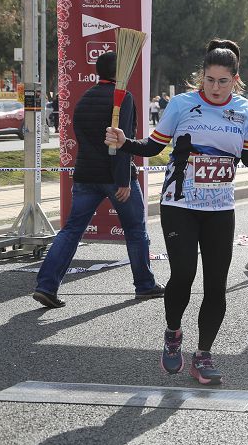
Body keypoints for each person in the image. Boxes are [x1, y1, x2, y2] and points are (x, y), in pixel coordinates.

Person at [105, 40, 248, 385]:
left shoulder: (245, 110)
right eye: (210, 80)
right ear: (201, 77)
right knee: (183, 275)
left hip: (220, 208)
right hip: (179, 204)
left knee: (216, 286)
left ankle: (203, 355)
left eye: (223, 81)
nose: (215, 88)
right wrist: (124, 141)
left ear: (235, 80)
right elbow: (153, 147)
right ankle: (173, 333)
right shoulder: (182, 104)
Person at [33, 52, 164, 309]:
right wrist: (124, 180)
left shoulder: (84, 98)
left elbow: (85, 137)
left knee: (71, 230)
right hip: (114, 176)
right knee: (136, 230)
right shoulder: (123, 98)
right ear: (119, 72)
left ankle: (46, 285)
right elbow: (121, 143)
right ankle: (145, 285)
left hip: (85, 174)